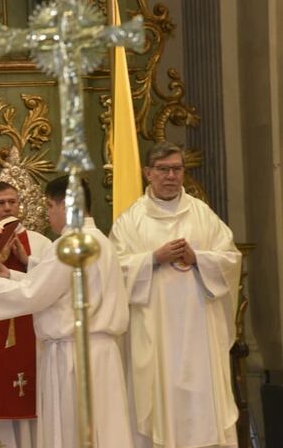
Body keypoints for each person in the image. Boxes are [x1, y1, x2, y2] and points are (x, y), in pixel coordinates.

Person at [0, 175, 132, 448]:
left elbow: (35, 294)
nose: (49, 214)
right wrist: (8, 274)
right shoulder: (101, 240)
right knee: (104, 430)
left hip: (72, 356)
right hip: (102, 353)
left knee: (73, 433)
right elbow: (54, 287)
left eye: (50, 206)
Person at [110, 141, 241, 448]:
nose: (170, 176)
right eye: (163, 169)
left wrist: (200, 259)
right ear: (147, 173)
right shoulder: (131, 221)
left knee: (201, 397)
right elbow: (113, 271)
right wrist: (153, 258)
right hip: (154, 329)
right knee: (157, 395)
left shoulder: (202, 214)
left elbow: (231, 258)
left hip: (199, 330)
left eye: (177, 169)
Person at [0, 182, 52, 448]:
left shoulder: (41, 243)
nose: (7, 208)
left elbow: (52, 288)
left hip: (34, 339)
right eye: (0, 203)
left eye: (12, 202)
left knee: (35, 412)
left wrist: (26, 263)